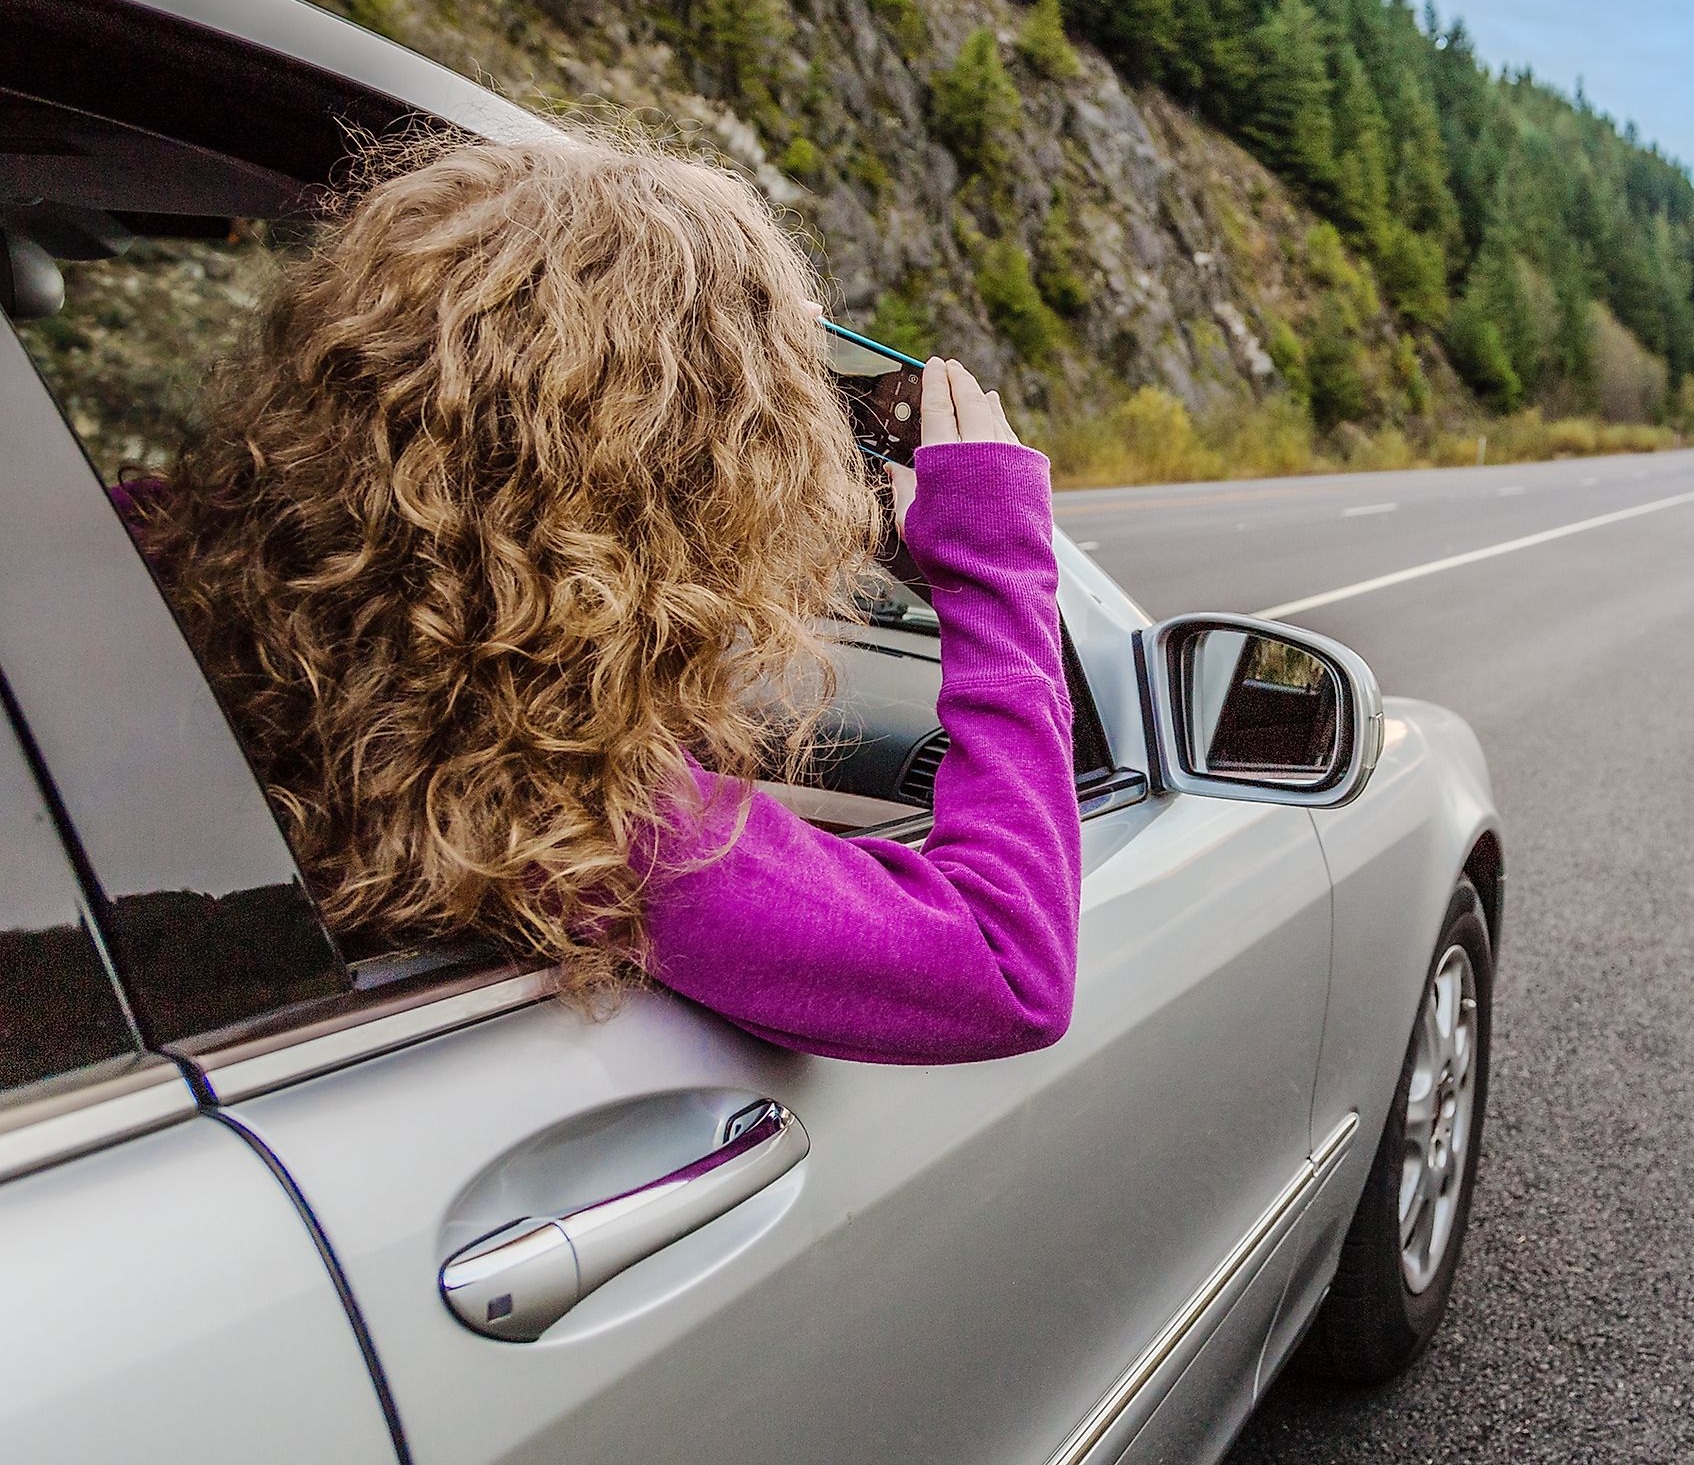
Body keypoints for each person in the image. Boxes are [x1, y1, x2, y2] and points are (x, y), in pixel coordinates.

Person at [127, 135, 1082, 1063]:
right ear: (679, 484)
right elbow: (1004, 966)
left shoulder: (149, 586)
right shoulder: (565, 814)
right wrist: (991, 563)